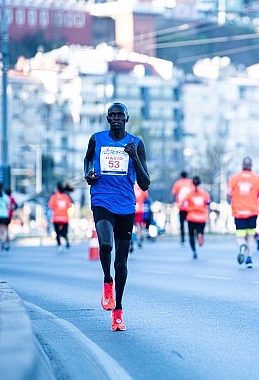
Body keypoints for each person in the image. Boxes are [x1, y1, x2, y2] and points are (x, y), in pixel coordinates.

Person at [84, 102, 151, 331]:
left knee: (121, 263)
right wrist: (88, 175)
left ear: (126, 118)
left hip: (125, 205)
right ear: (107, 118)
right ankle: (106, 281)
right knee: (105, 245)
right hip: (101, 199)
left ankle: (118, 311)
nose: (115, 118)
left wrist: (135, 157)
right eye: (111, 115)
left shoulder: (136, 144)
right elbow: (87, 160)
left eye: (119, 115)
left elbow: (145, 183)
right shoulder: (97, 139)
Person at [227, 156, 259, 268]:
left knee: (240, 236)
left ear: (242, 165)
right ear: (251, 166)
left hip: (238, 211)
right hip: (252, 211)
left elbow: (228, 193)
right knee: (250, 235)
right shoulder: (258, 178)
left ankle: (242, 245)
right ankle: (249, 258)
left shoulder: (234, 178)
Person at [183, 176, 211, 259]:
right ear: (200, 183)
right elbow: (208, 202)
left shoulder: (189, 194)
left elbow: (183, 203)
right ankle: (200, 235)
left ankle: (194, 250)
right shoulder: (205, 194)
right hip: (202, 217)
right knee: (200, 231)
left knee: (191, 235)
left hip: (191, 216)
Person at [48, 182, 73, 252]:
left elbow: (50, 206)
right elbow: (69, 206)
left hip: (56, 218)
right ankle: (66, 239)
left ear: (57, 189)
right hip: (65, 218)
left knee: (57, 233)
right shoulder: (66, 197)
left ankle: (59, 246)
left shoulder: (54, 197)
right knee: (64, 232)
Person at [171, 171, 193, 247]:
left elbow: (174, 193)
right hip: (190, 207)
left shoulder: (177, 183)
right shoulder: (191, 182)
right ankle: (192, 238)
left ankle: (183, 239)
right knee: (191, 224)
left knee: (182, 224)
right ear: (187, 176)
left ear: (181, 176)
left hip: (181, 207)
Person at [133, 183, 149, 250]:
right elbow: (146, 197)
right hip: (140, 209)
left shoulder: (132, 187)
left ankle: (131, 238)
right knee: (139, 225)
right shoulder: (142, 188)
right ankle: (139, 238)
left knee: (131, 225)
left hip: (131, 209)